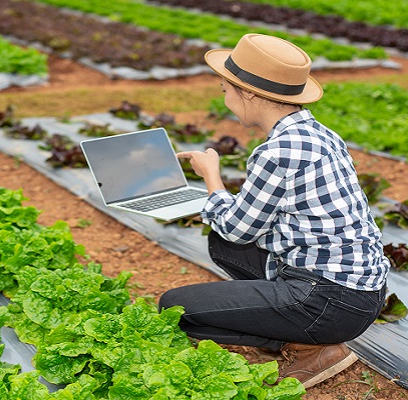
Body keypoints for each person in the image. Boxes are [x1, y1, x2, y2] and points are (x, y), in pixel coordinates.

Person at [158, 33, 390, 389]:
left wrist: (211, 177)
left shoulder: (277, 151)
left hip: (330, 303)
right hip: (364, 293)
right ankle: (291, 322)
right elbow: (251, 225)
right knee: (221, 246)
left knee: (175, 308)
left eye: (225, 90)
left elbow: (236, 228)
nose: (225, 98)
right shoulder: (319, 133)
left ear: (248, 93)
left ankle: (307, 346)